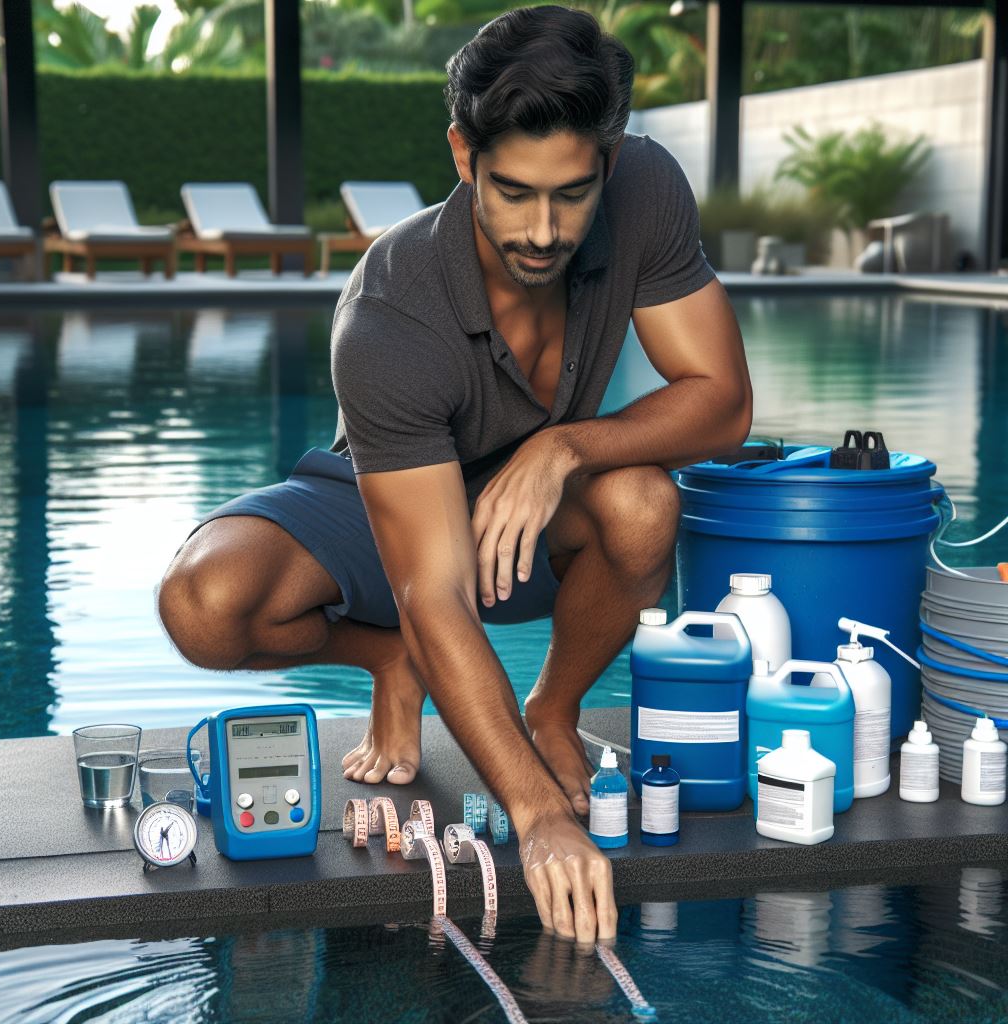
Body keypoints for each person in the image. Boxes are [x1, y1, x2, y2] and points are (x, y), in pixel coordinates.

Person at [157, 4, 752, 944]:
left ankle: (551, 710)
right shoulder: (391, 315)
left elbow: (722, 401)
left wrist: (562, 448)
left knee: (643, 502)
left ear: (611, 155)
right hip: (393, 492)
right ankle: (386, 659)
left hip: (537, 501)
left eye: (573, 193)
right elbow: (433, 591)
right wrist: (539, 816)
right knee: (205, 600)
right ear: (463, 156)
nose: (546, 231)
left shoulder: (646, 187)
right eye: (514, 191)